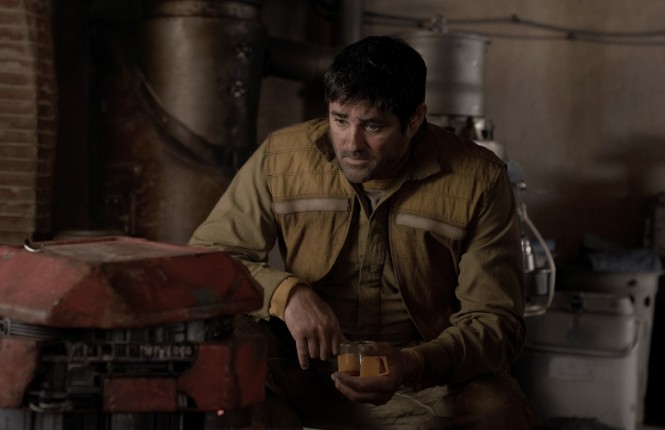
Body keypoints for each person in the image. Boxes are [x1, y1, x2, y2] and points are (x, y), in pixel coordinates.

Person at [190, 35, 542, 429]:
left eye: (373, 126)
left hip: (420, 382)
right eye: (340, 120)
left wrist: (411, 363)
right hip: (298, 367)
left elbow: (497, 324)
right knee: (221, 340)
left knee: (501, 410)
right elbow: (207, 261)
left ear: (415, 119)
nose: (351, 143)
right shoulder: (282, 158)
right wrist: (286, 295)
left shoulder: (479, 179)